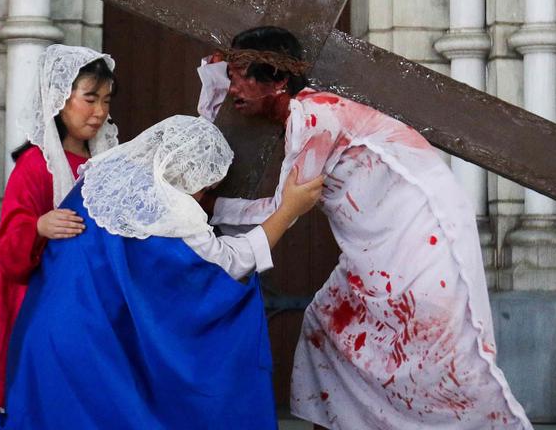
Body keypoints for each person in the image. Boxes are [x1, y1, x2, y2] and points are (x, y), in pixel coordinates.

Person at [198, 26, 533, 429]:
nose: (234, 89)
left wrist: (211, 207)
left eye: (240, 77)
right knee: (327, 325)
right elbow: (212, 131)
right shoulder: (307, 115)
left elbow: (283, 209)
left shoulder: (315, 117)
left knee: (440, 352)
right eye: (230, 77)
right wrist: (214, 77)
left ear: (278, 79)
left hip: (420, 234)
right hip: (373, 246)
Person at [0, 115, 324, 430]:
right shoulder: (173, 211)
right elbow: (230, 264)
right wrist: (288, 210)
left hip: (44, 332)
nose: (203, 198)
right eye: (207, 187)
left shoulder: (99, 180)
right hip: (94, 353)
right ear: (190, 175)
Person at [0, 45, 118, 430]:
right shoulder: (35, 165)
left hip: (84, 300)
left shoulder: (105, 165)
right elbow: (7, 245)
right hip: (32, 300)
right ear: (59, 100)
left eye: (106, 100)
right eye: (89, 98)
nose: (100, 111)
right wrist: (38, 226)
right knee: (18, 396)